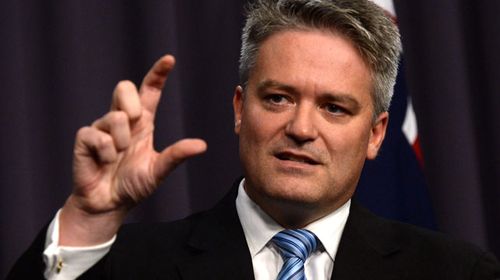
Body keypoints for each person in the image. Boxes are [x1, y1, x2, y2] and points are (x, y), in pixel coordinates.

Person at [8, 0, 500, 279]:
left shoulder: (457, 274)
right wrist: (86, 219)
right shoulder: (128, 266)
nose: (302, 129)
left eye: (334, 107)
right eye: (279, 98)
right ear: (241, 109)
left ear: (375, 134)